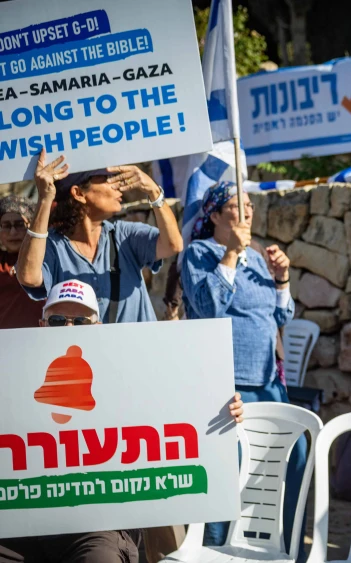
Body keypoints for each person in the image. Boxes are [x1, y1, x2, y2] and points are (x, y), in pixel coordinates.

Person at [0, 280, 244, 563]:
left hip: (95, 528)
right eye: (57, 320)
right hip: (20, 525)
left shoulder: (129, 372)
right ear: (42, 325)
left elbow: (178, 412)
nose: (68, 330)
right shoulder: (11, 372)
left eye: (80, 321)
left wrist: (221, 410)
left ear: (98, 326)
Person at [180, 182, 304, 555]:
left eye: (249, 204)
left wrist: (281, 279)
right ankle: (214, 552)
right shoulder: (199, 253)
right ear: (216, 215)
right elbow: (208, 307)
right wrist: (231, 254)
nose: (247, 211)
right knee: (227, 473)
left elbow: (281, 314)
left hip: (269, 381)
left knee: (290, 461)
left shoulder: (256, 254)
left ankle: (284, 547)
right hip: (227, 385)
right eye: (237, 205)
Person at [17, 149, 184, 323]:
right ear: (79, 193)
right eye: (107, 180)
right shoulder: (52, 246)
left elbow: (173, 245)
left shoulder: (124, 235)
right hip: (84, 351)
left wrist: (154, 192)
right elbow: (29, 277)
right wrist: (45, 199)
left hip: (139, 349)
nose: (118, 187)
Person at [0, 196, 44, 328]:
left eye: (19, 225)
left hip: (41, 340)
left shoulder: (46, 258)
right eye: (6, 226)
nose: (13, 232)